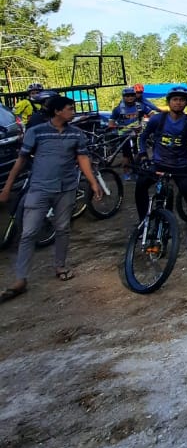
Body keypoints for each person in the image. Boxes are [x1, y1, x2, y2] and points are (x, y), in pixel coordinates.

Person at [0, 94, 103, 300]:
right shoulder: (36, 132)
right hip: (39, 188)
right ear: (57, 111)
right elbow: (20, 161)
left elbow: (82, 158)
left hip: (66, 188)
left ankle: (60, 265)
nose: (73, 112)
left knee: (63, 228)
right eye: (69, 109)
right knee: (29, 232)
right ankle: (21, 279)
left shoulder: (76, 134)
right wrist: (7, 187)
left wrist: (93, 182)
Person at [136, 85, 187, 258]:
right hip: (159, 163)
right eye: (175, 99)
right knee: (140, 186)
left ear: (186, 103)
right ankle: (143, 222)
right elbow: (142, 137)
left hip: (181, 166)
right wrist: (143, 155)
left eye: (182, 100)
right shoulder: (157, 120)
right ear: (169, 102)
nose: (178, 102)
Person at [108, 85, 153, 177]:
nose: (130, 98)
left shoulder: (140, 106)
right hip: (124, 135)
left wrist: (152, 121)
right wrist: (114, 127)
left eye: (132, 95)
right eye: (127, 96)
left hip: (137, 134)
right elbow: (111, 122)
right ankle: (126, 172)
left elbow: (151, 113)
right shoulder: (118, 109)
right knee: (126, 155)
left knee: (138, 153)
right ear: (123, 97)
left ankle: (136, 170)